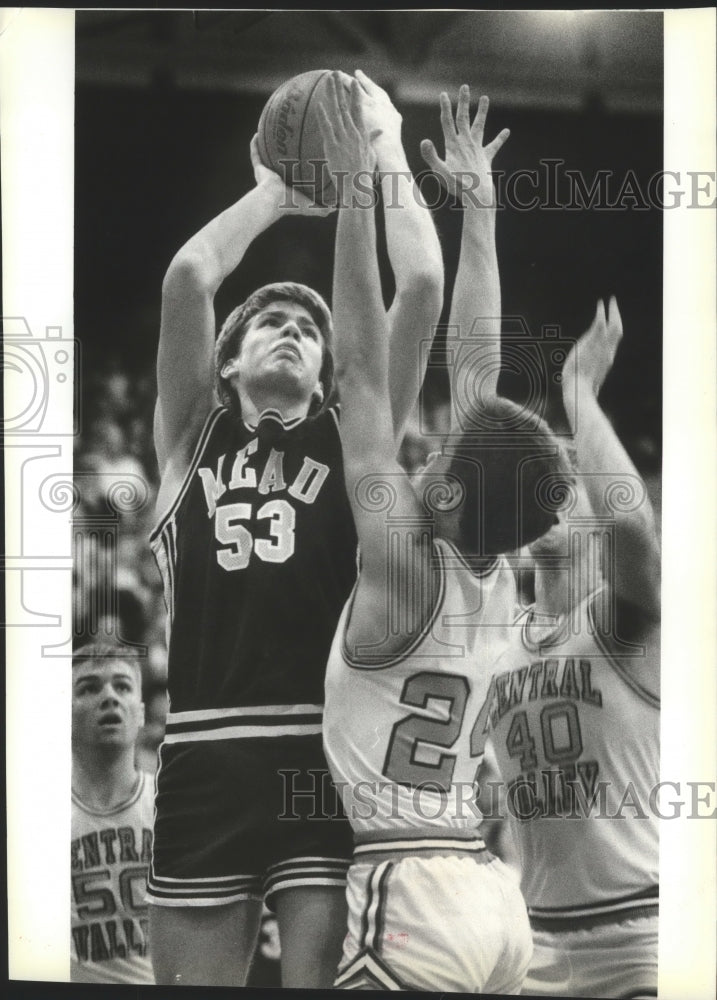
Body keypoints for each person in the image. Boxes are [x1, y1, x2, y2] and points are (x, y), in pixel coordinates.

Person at [146, 69, 443, 988]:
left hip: (320, 751)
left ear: (325, 373)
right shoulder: (188, 441)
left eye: (307, 329)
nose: (289, 330)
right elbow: (191, 274)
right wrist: (273, 194)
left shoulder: (349, 434)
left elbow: (422, 286)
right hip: (203, 751)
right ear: (226, 363)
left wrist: (387, 148)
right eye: (268, 320)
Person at [320, 80, 572, 993]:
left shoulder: (401, 563)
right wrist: (481, 213)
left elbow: (356, 368)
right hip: (488, 897)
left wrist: (357, 191)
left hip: (409, 887)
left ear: (456, 496)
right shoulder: (500, 570)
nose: (422, 453)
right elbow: (477, 375)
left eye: (438, 462)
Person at [487, 298, 661, 999]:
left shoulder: (621, 622)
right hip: (529, 937)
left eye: (565, 486)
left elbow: (629, 525)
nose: (549, 497)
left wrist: (578, 391)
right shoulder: (497, 642)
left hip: (635, 932)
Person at [71, 644, 154, 984]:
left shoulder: (171, 804)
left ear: (141, 713)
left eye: (122, 686)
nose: (109, 697)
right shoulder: (36, 821)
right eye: (89, 688)